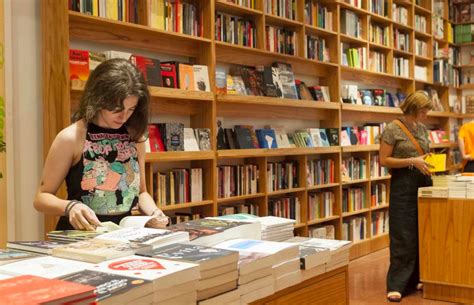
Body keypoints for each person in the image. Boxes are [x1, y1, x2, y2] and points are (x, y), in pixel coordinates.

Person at [34, 58, 168, 231]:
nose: (123, 117)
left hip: (121, 235)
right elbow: (41, 198)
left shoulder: (135, 136)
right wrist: (70, 207)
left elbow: (141, 192)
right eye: (117, 109)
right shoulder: (71, 138)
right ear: (98, 99)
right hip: (80, 237)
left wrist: (155, 212)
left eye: (131, 109)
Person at [379, 90, 434, 302]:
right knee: (403, 234)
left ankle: (416, 278)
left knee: (421, 232)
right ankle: (397, 284)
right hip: (403, 186)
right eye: (423, 111)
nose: (426, 115)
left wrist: (425, 160)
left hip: (422, 183)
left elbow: (420, 155)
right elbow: (384, 160)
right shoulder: (393, 129)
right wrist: (412, 161)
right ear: (413, 109)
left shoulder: (421, 128)